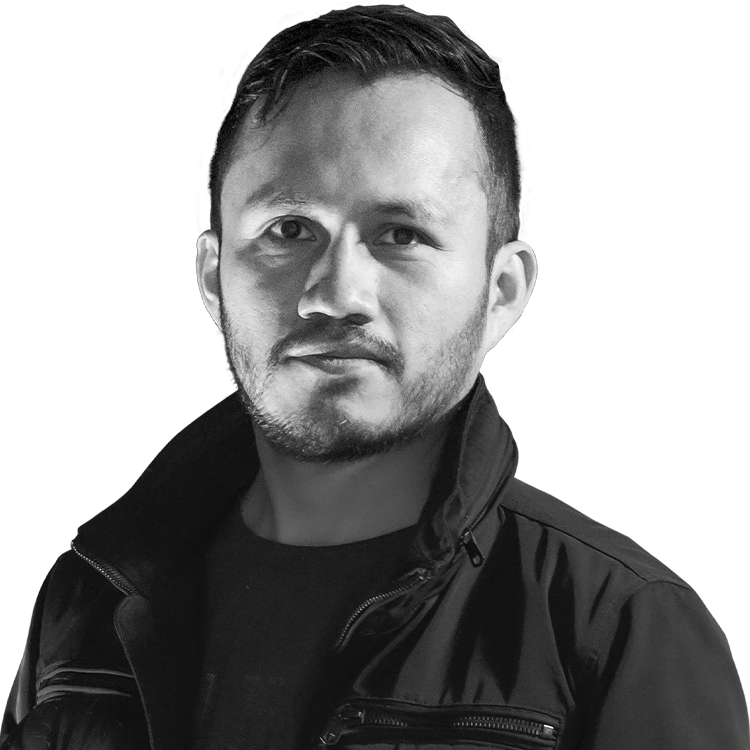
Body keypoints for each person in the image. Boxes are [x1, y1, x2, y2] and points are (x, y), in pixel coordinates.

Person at [3, 4, 749, 749]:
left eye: (401, 234)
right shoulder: (87, 597)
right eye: (288, 230)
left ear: (500, 294)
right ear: (212, 279)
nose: (334, 295)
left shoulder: (619, 626)